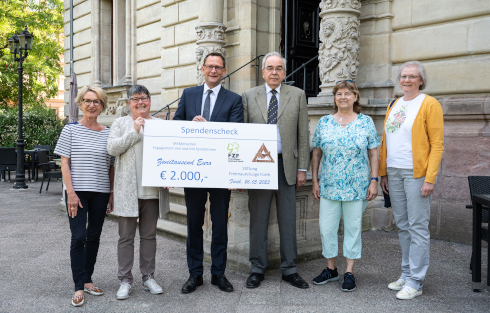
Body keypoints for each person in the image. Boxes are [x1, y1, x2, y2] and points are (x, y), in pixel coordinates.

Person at [173, 52, 243, 293]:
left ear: (224, 71)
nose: (214, 71)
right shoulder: (189, 94)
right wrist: (189, 126)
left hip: (221, 172)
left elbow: (236, 132)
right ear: (202, 69)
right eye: (210, 66)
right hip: (194, 170)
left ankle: (218, 274)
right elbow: (175, 125)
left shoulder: (234, 99)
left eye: (218, 67)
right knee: (193, 223)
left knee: (220, 224)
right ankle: (195, 274)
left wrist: (209, 129)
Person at [241, 52, 310, 289]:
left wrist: (303, 168)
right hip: (258, 166)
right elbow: (241, 134)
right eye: (269, 68)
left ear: (284, 72)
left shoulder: (298, 95)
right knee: (258, 219)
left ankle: (289, 269)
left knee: (288, 220)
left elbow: (303, 134)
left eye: (279, 68)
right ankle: (257, 268)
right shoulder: (249, 97)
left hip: (286, 165)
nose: (274, 72)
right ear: (262, 72)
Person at [379, 61, 444, 300]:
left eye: (412, 76)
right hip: (394, 172)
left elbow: (437, 144)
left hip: (416, 174)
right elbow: (386, 140)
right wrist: (383, 172)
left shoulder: (429, 103)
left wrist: (430, 179)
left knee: (418, 227)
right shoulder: (395, 104)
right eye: (403, 76)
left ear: (421, 80)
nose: (407, 80)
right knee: (403, 225)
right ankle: (406, 274)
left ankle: (416, 281)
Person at [311, 80, 380, 292]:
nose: (343, 97)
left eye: (348, 93)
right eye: (339, 93)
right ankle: (331, 269)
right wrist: (314, 180)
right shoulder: (324, 122)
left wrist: (374, 181)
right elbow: (316, 153)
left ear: (355, 97)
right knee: (327, 228)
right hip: (329, 186)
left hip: (357, 186)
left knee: (352, 229)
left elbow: (373, 153)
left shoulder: (365, 122)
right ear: (334, 98)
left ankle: (349, 271)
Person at [107, 85, 170, 300]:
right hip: (128, 190)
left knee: (149, 236)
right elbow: (112, 149)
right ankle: (125, 280)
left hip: (152, 190)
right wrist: (134, 131)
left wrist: (171, 175)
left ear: (150, 101)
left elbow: (172, 152)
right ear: (129, 103)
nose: (140, 102)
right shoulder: (120, 123)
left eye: (143, 98)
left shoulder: (161, 125)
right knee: (125, 237)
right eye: (135, 99)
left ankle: (148, 276)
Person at [54, 86, 115, 307]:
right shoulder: (70, 130)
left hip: (100, 192)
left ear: (102, 106)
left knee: (94, 236)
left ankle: (88, 279)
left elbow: (111, 166)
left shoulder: (108, 132)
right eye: (87, 101)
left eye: (96, 101)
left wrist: (111, 193)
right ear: (80, 104)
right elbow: (65, 162)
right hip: (77, 192)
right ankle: (78, 285)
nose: (91, 105)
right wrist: (70, 192)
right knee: (78, 237)